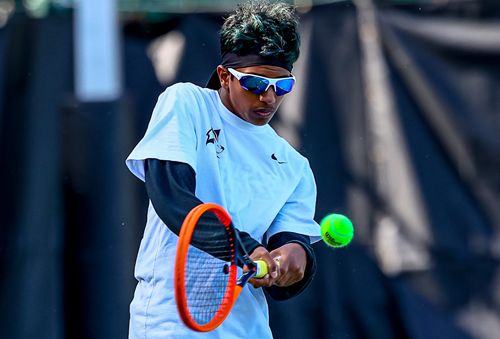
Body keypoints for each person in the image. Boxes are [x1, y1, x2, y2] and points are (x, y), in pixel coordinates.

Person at [126, 1, 321, 338]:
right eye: (256, 84)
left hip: (249, 329)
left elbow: (287, 243)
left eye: (282, 86)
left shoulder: (296, 167)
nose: (269, 98)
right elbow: (173, 199)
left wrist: (295, 257)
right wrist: (247, 248)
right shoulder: (185, 102)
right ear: (224, 77)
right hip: (170, 324)